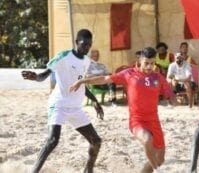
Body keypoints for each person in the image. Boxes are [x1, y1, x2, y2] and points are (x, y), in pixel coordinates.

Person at [70, 47, 176, 173]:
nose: (149, 67)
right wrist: (83, 81)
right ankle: (159, 171)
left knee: (160, 159)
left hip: (154, 121)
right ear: (140, 60)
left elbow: (171, 97)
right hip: (137, 121)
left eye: (152, 64)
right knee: (148, 140)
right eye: (146, 63)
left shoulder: (158, 77)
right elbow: (104, 79)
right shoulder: (129, 74)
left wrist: (175, 98)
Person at [21, 29, 103, 173]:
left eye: (89, 45)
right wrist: (36, 77)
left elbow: (80, 83)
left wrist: (95, 101)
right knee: (53, 141)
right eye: (84, 44)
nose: (87, 48)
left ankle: (88, 170)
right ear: (77, 42)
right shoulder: (63, 56)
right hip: (59, 105)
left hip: (76, 108)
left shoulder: (86, 61)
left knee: (96, 141)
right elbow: (44, 75)